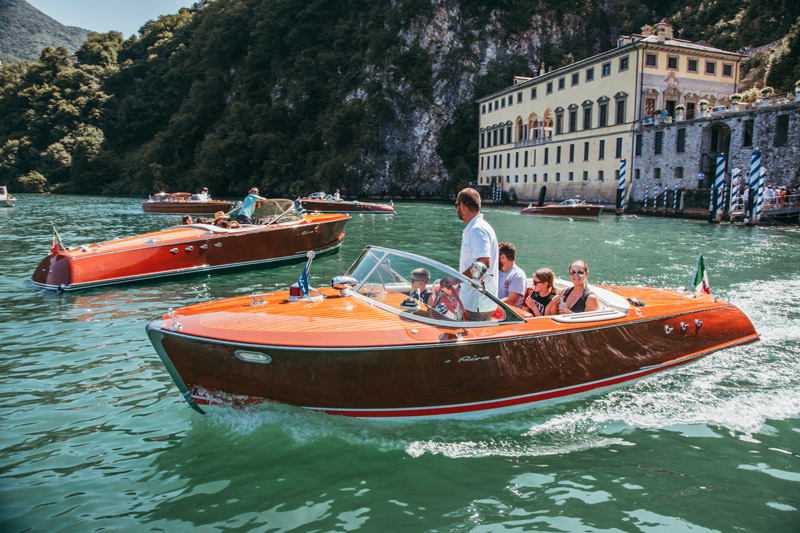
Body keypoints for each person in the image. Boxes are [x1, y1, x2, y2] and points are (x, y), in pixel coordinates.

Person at [454, 187, 498, 321]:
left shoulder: (477, 229)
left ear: (462, 205)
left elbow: (483, 264)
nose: (456, 208)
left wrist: (456, 279)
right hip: (473, 299)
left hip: (477, 302)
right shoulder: (478, 227)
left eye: (456, 205)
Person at [497, 242, 527, 309]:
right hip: (496, 310)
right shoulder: (498, 272)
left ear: (503, 257)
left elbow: (510, 300)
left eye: (495, 256)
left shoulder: (517, 275)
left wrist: (490, 305)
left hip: (507, 314)